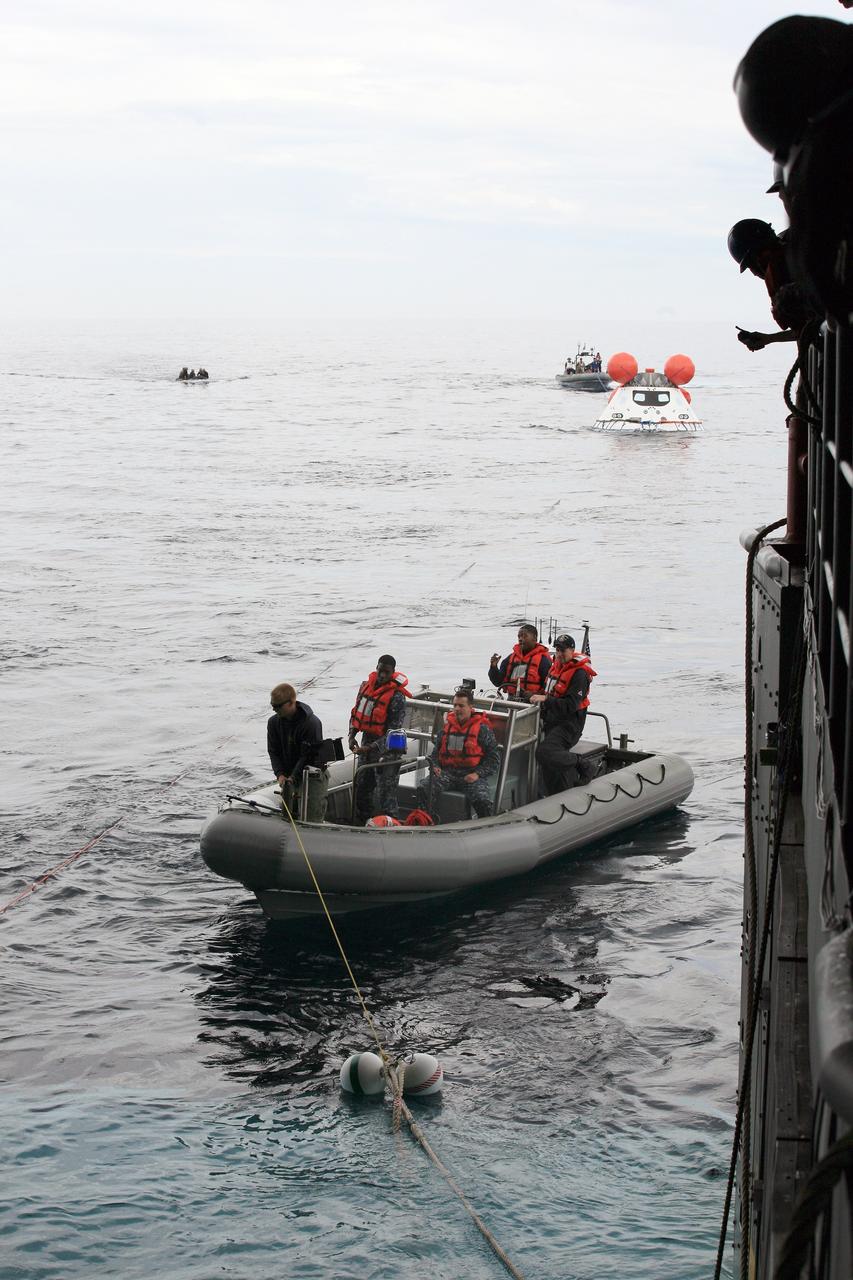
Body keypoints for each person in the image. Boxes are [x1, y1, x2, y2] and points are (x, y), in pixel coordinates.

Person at [530, 634, 597, 795]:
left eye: (563, 650)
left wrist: (546, 699)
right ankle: (557, 795)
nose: (559, 654)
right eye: (557, 650)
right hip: (551, 720)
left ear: (572, 650)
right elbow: (548, 691)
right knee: (550, 765)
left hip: (569, 724)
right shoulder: (556, 667)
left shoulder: (579, 674)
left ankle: (583, 764)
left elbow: (570, 705)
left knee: (544, 752)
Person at [348, 654, 411, 824]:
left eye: (386, 672)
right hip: (366, 744)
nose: (382, 675)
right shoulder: (365, 687)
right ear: (376, 668)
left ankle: (392, 825)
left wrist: (371, 748)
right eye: (380, 670)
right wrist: (351, 735)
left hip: (388, 750)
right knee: (361, 788)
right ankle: (364, 822)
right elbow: (355, 714)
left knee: (386, 795)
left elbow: (394, 730)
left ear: (393, 672)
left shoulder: (397, 697)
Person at [420, 687, 500, 821]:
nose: (457, 709)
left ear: (470, 707)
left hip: (470, 775)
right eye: (455, 705)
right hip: (447, 774)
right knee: (424, 788)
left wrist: (477, 774)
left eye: (461, 706)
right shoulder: (446, 728)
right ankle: (426, 821)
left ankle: (486, 826)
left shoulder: (482, 730)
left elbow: (494, 760)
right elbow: (435, 754)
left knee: (482, 800)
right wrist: (435, 767)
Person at [267, 682, 329, 822]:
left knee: (311, 817)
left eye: (277, 706)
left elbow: (307, 756)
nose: (274, 709)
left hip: (311, 774)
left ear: (291, 703)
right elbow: (273, 750)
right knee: (286, 816)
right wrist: (280, 774)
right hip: (288, 774)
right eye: (272, 705)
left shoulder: (311, 723)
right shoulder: (273, 723)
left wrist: (293, 777)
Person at [488, 624, 551, 700]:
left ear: (534, 638)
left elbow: (548, 689)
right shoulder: (510, 659)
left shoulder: (543, 661)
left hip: (533, 703)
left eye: (524, 636)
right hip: (511, 701)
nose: (520, 639)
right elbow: (498, 682)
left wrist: (535, 695)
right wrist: (493, 667)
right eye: (519, 637)